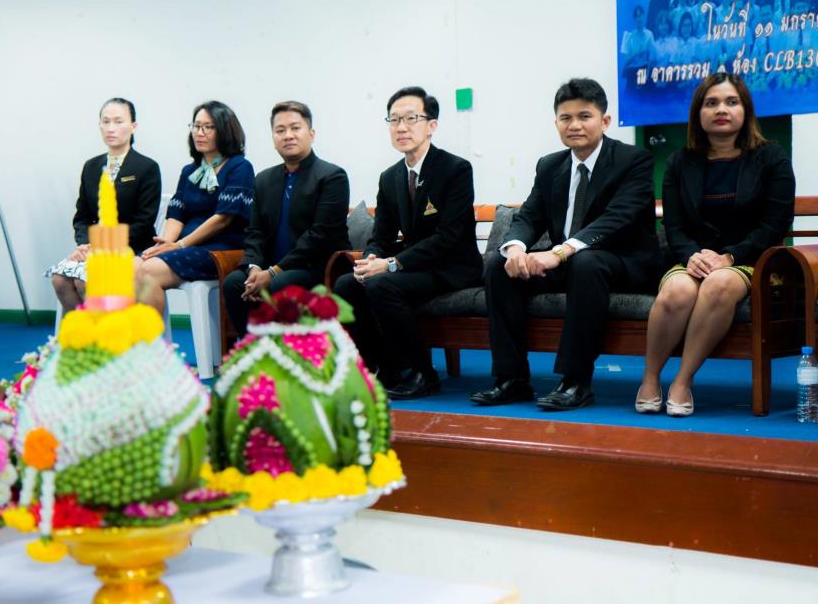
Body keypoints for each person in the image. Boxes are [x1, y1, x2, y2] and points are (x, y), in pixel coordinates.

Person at [470, 78, 657, 411]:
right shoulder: (550, 165)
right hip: (570, 263)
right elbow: (529, 216)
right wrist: (516, 248)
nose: (575, 125)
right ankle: (511, 378)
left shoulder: (633, 160)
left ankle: (576, 381)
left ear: (605, 121)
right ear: (556, 122)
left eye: (585, 116)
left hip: (623, 262)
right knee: (499, 266)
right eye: (565, 118)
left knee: (586, 262)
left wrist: (560, 251)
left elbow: (617, 218)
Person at [636, 73, 795, 416]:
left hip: (751, 259)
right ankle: (649, 378)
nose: (721, 109)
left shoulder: (772, 158)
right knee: (677, 290)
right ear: (698, 113)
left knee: (720, 284)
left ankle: (682, 381)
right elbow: (674, 225)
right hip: (693, 257)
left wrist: (730, 256)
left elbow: (775, 224)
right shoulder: (680, 162)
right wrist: (691, 256)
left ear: (745, 110)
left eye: (731, 102)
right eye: (711, 103)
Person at [333, 86, 480, 400]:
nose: (401, 127)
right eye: (394, 120)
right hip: (415, 266)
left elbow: (449, 237)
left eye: (411, 118)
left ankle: (422, 373)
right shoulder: (390, 177)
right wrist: (370, 259)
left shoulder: (455, 169)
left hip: (451, 266)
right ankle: (382, 368)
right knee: (348, 284)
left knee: (382, 285)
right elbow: (381, 236)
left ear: (431, 125)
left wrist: (392, 264)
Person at [222, 101, 349, 336]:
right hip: (271, 267)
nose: (288, 135)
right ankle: (255, 350)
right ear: (273, 138)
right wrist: (253, 267)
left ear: (311, 134)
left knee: (281, 283)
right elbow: (255, 231)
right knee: (234, 283)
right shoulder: (264, 179)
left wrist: (273, 272)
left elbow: (320, 236)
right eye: (280, 130)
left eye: (295, 128)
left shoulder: (332, 176)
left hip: (317, 268)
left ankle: (289, 354)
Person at [136, 101, 253, 318]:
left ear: (225, 130)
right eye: (196, 126)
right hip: (186, 246)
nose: (200, 132)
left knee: (148, 271)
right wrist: (165, 244)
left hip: (221, 250)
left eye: (208, 127)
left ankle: (153, 339)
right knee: (134, 265)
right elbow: (177, 213)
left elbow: (223, 218)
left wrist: (179, 244)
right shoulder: (190, 170)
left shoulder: (239, 167)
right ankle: (136, 337)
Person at [49, 98, 161, 313]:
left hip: (132, 247)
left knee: (85, 280)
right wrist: (84, 244)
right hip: (93, 248)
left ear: (133, 126)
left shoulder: (147, 167)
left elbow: (144, 222)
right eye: (106, 121)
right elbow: (82, 216)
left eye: (119, 121)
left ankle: (105, 333)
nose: (111, 128)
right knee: (59, 279)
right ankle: (85, 331)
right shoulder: (91, 166)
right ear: (99, 125)